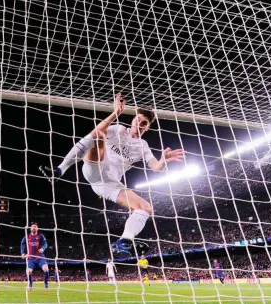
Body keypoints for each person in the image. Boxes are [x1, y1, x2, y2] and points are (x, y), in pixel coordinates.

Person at [40, 94, 184, 246]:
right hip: (95, 168)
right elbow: (96, 131)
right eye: (138, 120)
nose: (140, 124)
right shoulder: (118, 129)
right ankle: (60, 170)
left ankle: (124, 241)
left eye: (144, 123)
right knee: (99, 135)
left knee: (146, 208)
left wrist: (163, 160)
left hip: (109, 184)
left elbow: (155, 167)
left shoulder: (143, 146)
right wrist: (116, 113)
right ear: (134, 119)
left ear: (148, 127)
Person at [20, 223, 50, 291]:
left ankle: (46, 283)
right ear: (30, 228)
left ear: (37, 228)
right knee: (28, 271)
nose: (34, 228)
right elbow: (22, 243)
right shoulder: (27, 236)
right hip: (31, 258)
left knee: (46, 269)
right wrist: (22, 253)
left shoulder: (40, 236)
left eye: (35, 226)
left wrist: (43, 248)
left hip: (40, 257)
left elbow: (46, 244)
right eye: (33, 226)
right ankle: (30, 284)